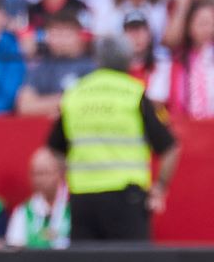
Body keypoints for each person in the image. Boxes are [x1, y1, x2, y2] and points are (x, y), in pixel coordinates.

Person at [48, 35, 180, 240]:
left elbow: (55, 148)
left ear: (97, 60)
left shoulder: (74, 94)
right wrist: (160, 186)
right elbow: (170, 147)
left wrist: (71, 172)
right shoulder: (134, 93)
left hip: (83, 197)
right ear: (128, 59)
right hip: (127, 198)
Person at [16, 12, 95, 115]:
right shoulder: (41, 67)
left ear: (79, 36)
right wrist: (64, 102)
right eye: (54, 34)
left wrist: (45, 104)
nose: (59, 40)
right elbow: (25, 106)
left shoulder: (92, 67)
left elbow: (90, 103)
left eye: (65, 35)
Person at [6, 148, 71, 249]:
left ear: (60, 173)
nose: (38, 179)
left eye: (43, 173)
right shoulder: (23, 211)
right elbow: (14, 249)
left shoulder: (74, 206)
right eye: (34, 174)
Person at [165, 0, 214, 118]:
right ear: (188, 26)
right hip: (185, 128)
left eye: (211, 23)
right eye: (202, 23)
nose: (207, 29)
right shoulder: (177, 60)